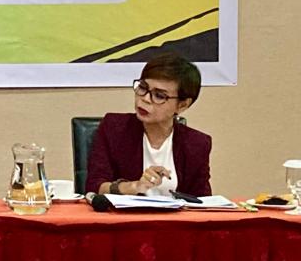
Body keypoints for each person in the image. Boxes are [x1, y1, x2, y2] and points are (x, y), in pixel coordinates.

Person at [85, 52, 211, 197]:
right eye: (143, 87)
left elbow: (203, 201)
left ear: (182, 105)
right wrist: (134, 186)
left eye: (159, 95)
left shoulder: (197, 144)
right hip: (124, 218)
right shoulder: (114, 128)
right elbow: (94, 187)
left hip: (176, 219)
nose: (145, 99)